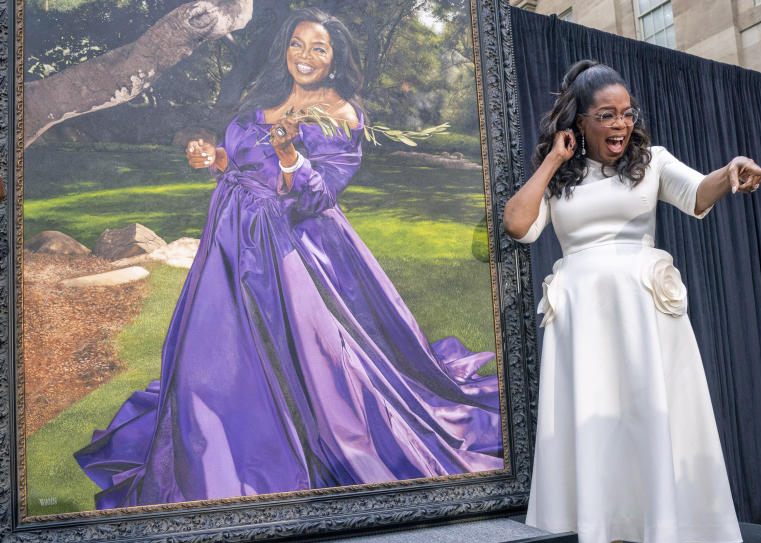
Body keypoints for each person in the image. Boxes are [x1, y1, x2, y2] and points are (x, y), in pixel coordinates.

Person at [75, 9, 502, 509]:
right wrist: (210, 157)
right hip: (230, 235)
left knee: (304, 355)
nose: (305, 56)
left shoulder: (342, 114)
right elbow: (236, 158)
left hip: (287, 247)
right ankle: (213, 429)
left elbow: (318, 197)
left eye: (318, 48)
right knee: (214, 347)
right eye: (297, 44)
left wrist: (290, 156)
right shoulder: (267, 95)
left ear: (336, 58)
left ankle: (278, 448)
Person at [504, 61, 761, 543]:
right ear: (579, 121)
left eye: (627, 113)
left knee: (650, 438)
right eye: (607, 115)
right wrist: (555, 158)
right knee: (597, 444)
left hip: (646, 321)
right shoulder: (561, 176)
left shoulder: (650, 163)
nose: (621, 123)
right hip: (584, 328)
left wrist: (731, 172)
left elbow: (696, 190)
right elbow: (517, 224)